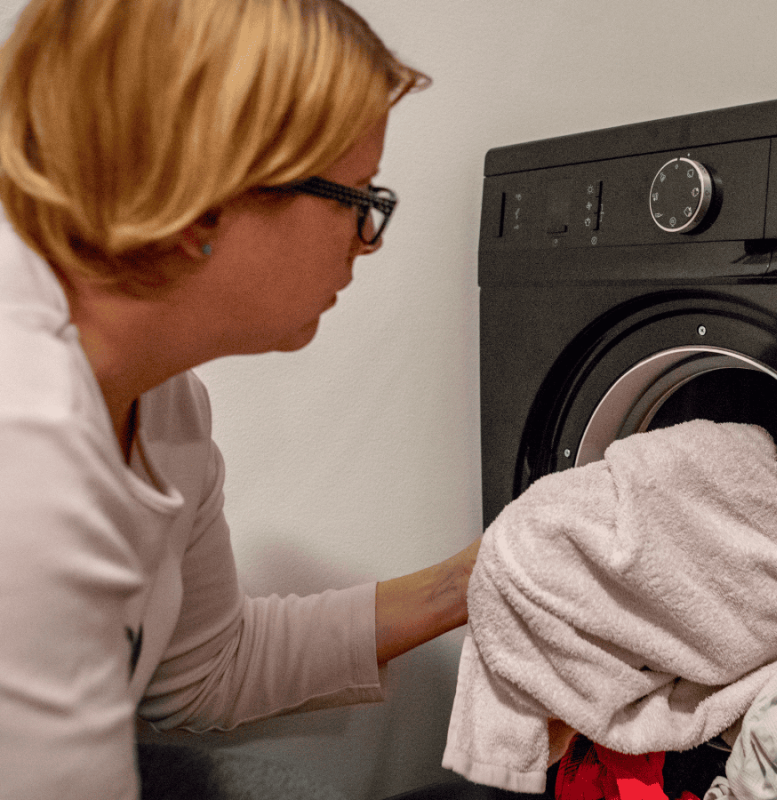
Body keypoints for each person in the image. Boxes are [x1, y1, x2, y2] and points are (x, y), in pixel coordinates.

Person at [0, 1, 480, 797]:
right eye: (356, 198)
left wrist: (475, 580)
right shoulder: (27, 446)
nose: (371, 238)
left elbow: (206, 670)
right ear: (206, 198)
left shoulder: (166, 406)